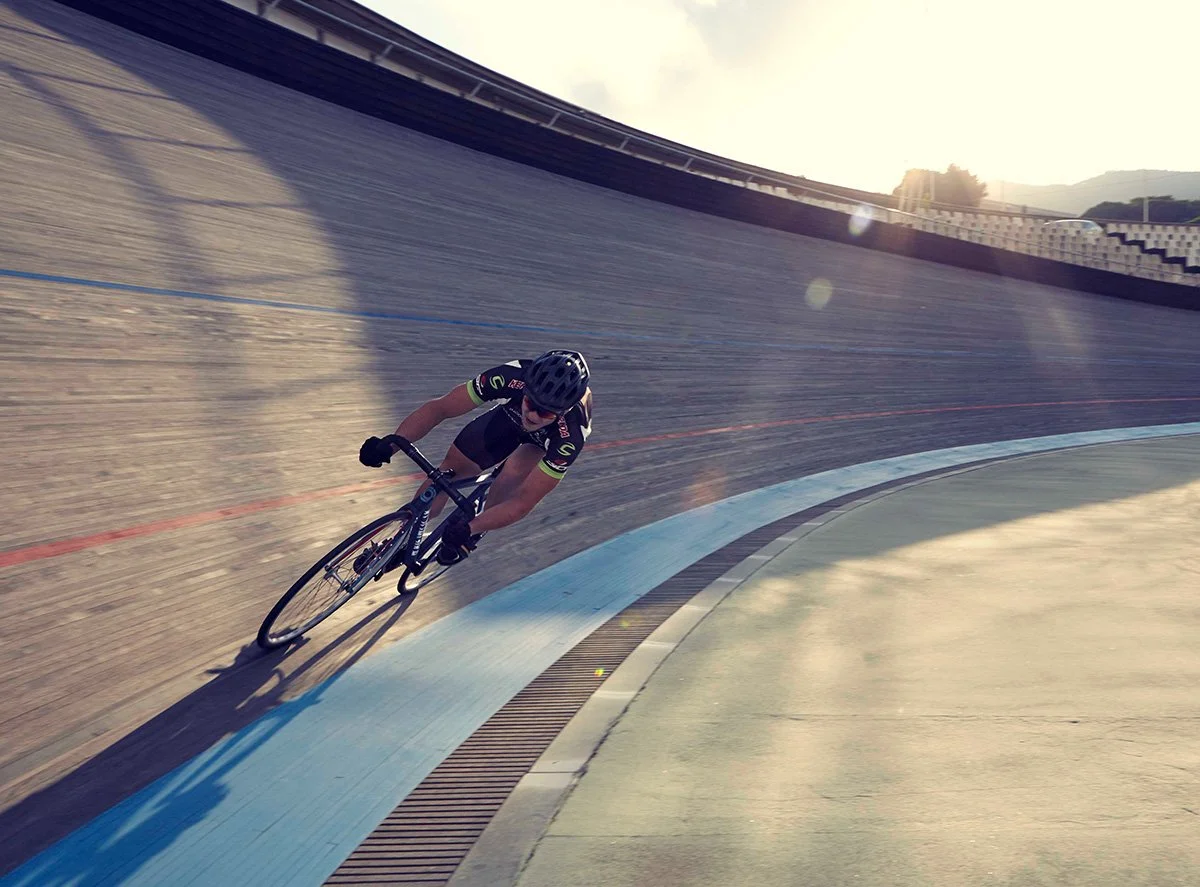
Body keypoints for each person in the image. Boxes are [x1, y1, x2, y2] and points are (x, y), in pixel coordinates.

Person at [358, 349, 592, 565]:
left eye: (546, 412)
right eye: (531, 403)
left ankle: (472, 535)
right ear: (526, 388)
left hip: (543, 442)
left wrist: (471, 528)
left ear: (563, 411)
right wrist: (390, 446)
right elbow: (441, 408)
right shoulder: (510, 376)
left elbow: (522, 503)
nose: (533, 415)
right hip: (509, 416)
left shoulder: (569, 436)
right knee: (449, 473)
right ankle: (397, 538)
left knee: (512, 474)